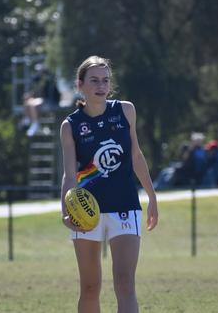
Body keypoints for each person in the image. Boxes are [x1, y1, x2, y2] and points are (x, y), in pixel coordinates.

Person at [59, 55, 158, 313]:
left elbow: (136, 156)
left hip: (124, 205)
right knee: (90, 288)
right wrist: (65, 209)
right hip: (86, 211)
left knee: (125, 283)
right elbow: (70, 175)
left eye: (105, 80)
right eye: (94, 80)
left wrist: (152, 197)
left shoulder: (126, 111)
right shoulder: (70, 126)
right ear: (80, 84)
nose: (101, 85)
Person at [23, 63, 61, 136]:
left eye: (40, 71)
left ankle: (36, 124)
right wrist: (30, 94)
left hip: (51, 100)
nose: (38, 72)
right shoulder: (41, 78)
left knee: (33, 105)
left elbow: (49, 91)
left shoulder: (49, 77)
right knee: (27, 102)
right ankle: (29, 119)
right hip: (45, 99)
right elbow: (35, 80)